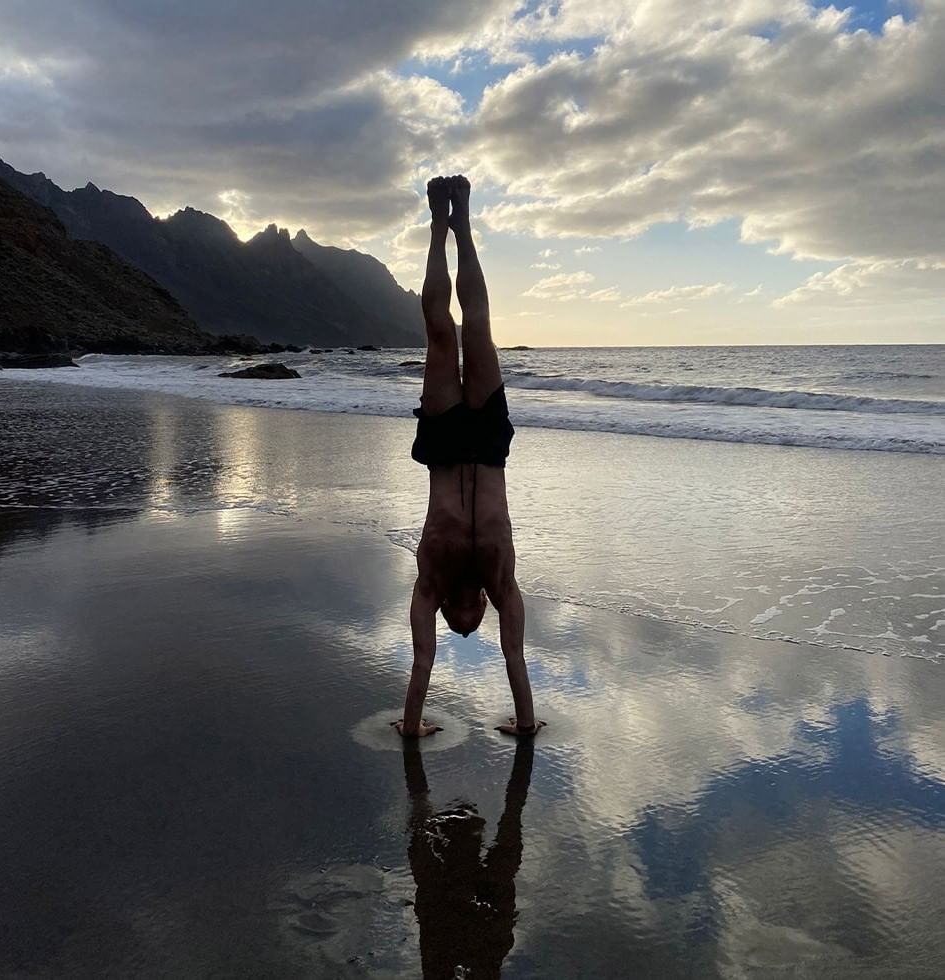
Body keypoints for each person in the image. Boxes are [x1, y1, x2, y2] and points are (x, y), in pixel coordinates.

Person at [393, 174, 545, 739]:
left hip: (444, 448)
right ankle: (465, 222)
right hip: (489, 447)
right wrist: (525, 723)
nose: (464, 626)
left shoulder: (429, 582)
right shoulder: (500, 581)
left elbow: (422, 664)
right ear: (482, 608)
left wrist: (412, 726)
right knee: (475, 326)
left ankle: (442, 227)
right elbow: (515, 659)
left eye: (458, 625)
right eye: (472, 624)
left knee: (441, 334)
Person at [403, 740, 534, 977]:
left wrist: (411, 732)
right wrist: (526, 729)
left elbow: (419, 806)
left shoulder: (432, 879)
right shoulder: (493, 882)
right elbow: (513, 811)